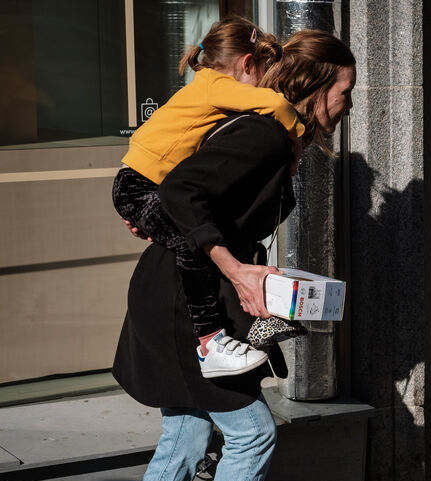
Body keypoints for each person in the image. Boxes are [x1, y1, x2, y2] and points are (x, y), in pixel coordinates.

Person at [106, 29, 357, 481]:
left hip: (181, 292)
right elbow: (179, 192)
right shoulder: (263, 134)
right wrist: (236, 269)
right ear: (315, 85)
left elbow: (203, 205)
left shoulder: (275, 137)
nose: (349, 103)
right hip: (184, 303)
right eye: (345, 90)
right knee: (251, 434)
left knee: (186, 436)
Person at [112, 15, 306, 379]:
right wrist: (295, 140)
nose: (262, 83)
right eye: (262, 73)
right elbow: (276, 106)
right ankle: (209, 343)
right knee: (195, 245)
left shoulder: (204, 87)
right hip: (140, 185)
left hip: (140, 184)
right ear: (247, 63)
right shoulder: (216, 84)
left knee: (195, 240)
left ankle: (240, 327)